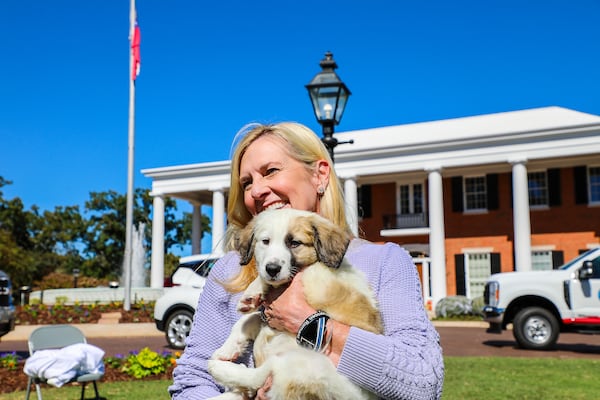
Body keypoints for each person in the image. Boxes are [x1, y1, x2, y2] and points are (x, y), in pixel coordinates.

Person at [169, 122, 444, 400]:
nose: (256, 191)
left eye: (271, 171)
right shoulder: (232, 269)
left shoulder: (384, 262)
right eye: (246, 183)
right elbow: (192, 379)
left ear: (320, 175)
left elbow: (423, 383)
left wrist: (311, 324)